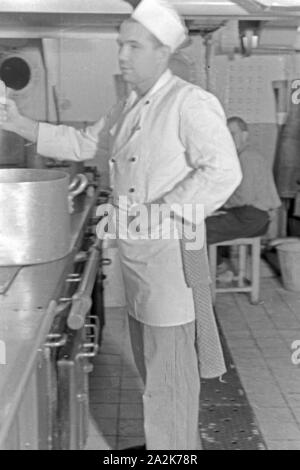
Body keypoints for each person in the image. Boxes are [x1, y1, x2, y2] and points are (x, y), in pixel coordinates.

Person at [0, 0, 242, 450]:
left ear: (162, 52)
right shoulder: (128, 105)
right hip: (140, 256)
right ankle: (168, 448)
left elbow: (224, 172)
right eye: (120, 45)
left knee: (169, 376)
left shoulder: (189, 103)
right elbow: (84, 141)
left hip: (172, 258)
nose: (122, 55)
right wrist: (21, 124)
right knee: (153, 369)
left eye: (133, 45)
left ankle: (174, 454)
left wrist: (163, 213)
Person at [206, 116, 281, 248]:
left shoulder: (247, 157)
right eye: (225, 134)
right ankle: (216, 264)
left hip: (251, 217)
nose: (228, 138)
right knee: (198, 223)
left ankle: (213, 266)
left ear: (245, 135)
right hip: (251, 215)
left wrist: (217, 207)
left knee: (196, 229)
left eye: (232, 133)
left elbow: (243, 197)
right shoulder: (244, 156)